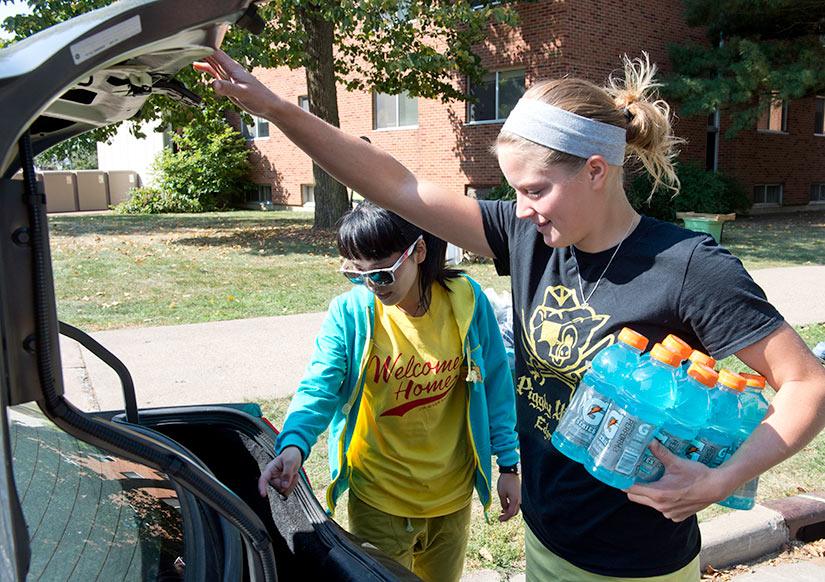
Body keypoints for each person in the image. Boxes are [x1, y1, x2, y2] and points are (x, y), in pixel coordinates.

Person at [197, 51, 825, 581]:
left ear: (597, 172)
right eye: (514, 192)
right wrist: (276, 108)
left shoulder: (688, 266)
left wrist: (723, 481)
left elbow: (806, 383)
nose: (520, 210)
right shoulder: (529, 238)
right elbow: (397, 188)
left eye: (534, 190)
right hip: (546, 538)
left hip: (635, 560)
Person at [255, 201, 521, 582]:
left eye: (381, 274)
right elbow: (319, 386)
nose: (371, 286)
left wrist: (508, 464)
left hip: (451, 497)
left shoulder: (466, 301)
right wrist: (294, 445)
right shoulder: (350, 314)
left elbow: (496, 382)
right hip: (378, 499)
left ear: (420, 251)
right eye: (356, 273)